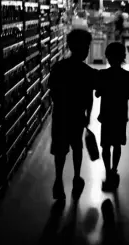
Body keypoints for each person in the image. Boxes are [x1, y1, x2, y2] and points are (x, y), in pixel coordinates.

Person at [49, 29, 97, 200]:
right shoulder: (87, 71)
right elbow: (89, 97)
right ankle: (77, 177)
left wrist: (61, 106)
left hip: (60, 115)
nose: (86, 50)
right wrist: (88, 116)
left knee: (60, 150)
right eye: (86, 47)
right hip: (77, 117)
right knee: (77, 147)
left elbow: (53, 92)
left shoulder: (59, 67)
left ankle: (58, 180)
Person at [95, 42, 129, 191]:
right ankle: (114, 169)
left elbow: (97, 93)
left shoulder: (103, 75)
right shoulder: (128, 76)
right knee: (117, 144)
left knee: (106, 145)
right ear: (123, 57)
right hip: (120, 116)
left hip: (106, 116)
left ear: (107, 57)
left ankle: (108, 170)